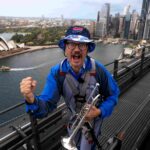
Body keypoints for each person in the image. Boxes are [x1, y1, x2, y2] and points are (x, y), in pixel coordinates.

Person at [20, 26, 120, 150]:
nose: (76, 50)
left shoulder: (98, 70)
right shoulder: (57, 73)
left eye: (82, 45)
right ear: (65, 49)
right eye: (71, 44)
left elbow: (113, 95)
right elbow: (46, 106)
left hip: (94, 121)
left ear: (87, 49)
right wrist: (31, 99)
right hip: (73, 121)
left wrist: (99, 112)